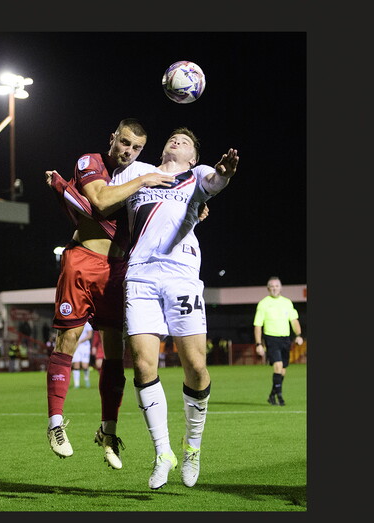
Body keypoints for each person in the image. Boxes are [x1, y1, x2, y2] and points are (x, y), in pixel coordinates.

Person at [43, 118, 177, 469]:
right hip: (82, 261)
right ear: (113, 138)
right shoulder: (92, 163)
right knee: (68, 341)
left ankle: (108, 432)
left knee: (115, 353)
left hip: (118, 271)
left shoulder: (136, 178)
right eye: (124, 142)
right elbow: (100, 202)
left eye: (136, 148)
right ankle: (55, 423)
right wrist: (144, 179)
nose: (128, 151)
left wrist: (194, 211)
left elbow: (163, 213)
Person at [123, 128, 238, 489]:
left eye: (184, 141)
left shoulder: (195, 174)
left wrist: (225, 174)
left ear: (191, 157)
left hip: (181, 275)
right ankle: (163, 453)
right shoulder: (138, 172)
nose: (176, 142)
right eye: (172, 138)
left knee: (197, 366)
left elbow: (214, 181)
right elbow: (104, 197)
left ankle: (192, 448)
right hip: (139, 274)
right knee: (143, 364)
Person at [253, 276, 304, 406]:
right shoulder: (263, 303)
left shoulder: (287, 302)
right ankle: (280, 397)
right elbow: (258, 325)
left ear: (280, 288)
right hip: (271, 338)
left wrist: (298, 335)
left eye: (277, 286)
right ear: (268, 288)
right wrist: (258, 344)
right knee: (278, 365)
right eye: (272, 286)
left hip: (285, 339)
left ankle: (272, 395)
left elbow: (294, 320)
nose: (275, 289)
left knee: (283, 369)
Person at [71, 322, 93, 388]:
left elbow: (89, 335)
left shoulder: (87, 323)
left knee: (85, 366)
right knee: (76, 364)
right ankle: (76, 384)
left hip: (85, 346)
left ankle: (86, 379)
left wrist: (80, 341)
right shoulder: (73, 322)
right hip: (75, 346)